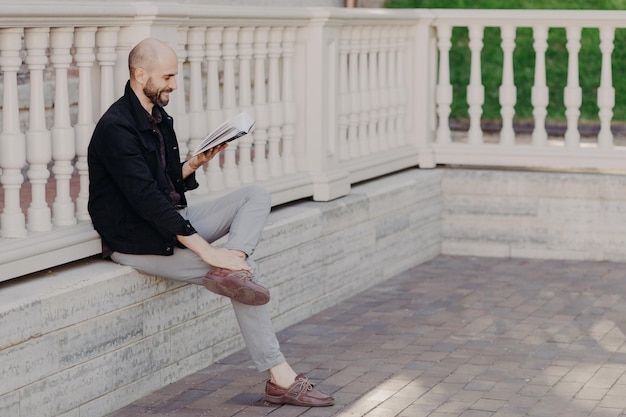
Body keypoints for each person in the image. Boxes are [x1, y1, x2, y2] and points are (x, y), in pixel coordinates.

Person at [88, 37, 334, 407]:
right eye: (168, 76)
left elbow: (166, 183)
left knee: (255, 196)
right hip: (137, 240)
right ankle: (279, 378)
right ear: (141, 75)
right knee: (243, 276)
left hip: (172, 222)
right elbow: (147, 201)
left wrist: (193, 165)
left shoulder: (157, 115)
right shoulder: (116, 128)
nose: (174, 83)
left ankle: (233, 264)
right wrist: (208, 252)